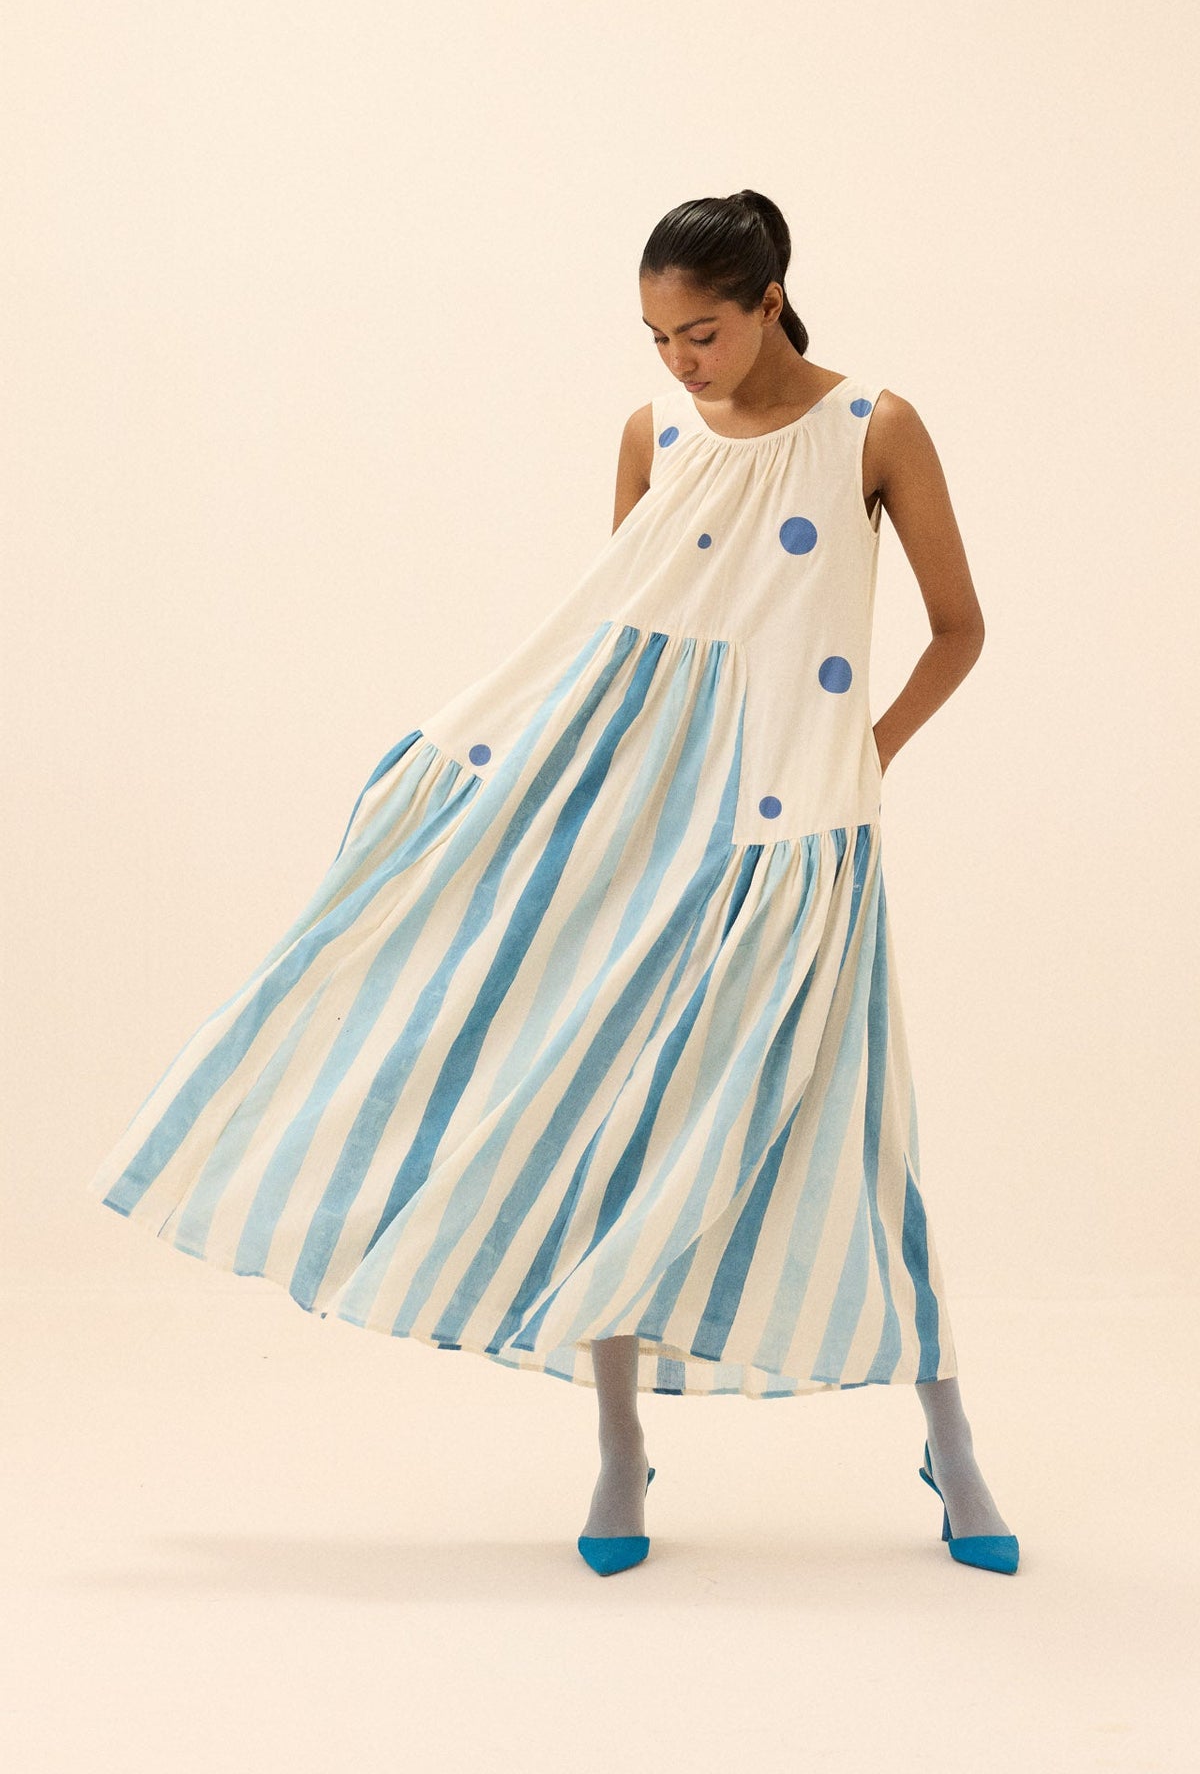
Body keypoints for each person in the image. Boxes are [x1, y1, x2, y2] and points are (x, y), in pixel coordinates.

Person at [87, 188, 1018, 1578]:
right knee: (609, 1114)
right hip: (636, 820)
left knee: (857, 1118)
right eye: (657, 339)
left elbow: (959, 629)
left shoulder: (872, 428)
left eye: (701, 333)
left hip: (793, 826)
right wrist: (487, 770)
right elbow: (612, 632)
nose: (680, 364)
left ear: (770, 301)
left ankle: (951, 1440)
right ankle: (618, 1446)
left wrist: (862, 758)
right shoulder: (654, 435)